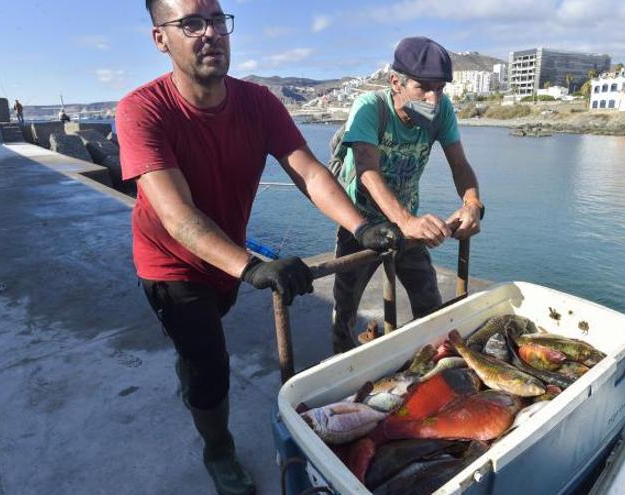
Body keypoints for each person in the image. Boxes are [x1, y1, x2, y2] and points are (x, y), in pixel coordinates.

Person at [117, 1, 402, 493]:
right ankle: (219, 450)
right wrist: (253, 266)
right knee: (209, 367)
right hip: (171, 264)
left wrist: (362, 226)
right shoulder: (142, 110)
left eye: (217, 20)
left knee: (207, 340)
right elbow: (177, 216)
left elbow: (309, 172)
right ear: (160, 38)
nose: (209, 33)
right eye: (191, 23)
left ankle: (193, 362)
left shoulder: (259, 103)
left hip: (225, 258)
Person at [331, 36, 484, 353]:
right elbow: (367, 171)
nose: (433, 99)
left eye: (440, 88)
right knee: (346, 305)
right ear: (395, 83)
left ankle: (433, 362)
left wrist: (471, 203)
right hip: (362, 224)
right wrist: (406, 221)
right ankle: (341, 366)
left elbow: (459, 165)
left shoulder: (440, 112)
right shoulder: (371, 108)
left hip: (407, 221)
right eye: (423, 87)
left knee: (429, 300)